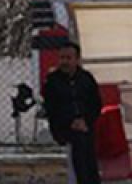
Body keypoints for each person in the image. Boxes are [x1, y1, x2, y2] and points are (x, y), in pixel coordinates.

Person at [43, 41, 102, 184]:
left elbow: (96, 104)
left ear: (77, 59)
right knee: (79, 144)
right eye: (62, 58)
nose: (65, 62)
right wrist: (71, 122)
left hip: (85, 126)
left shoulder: (86, 78)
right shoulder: (53, 81)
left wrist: (85, 120)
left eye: (69, 58)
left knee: (86, 147)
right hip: (64, 128)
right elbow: (52, 109)